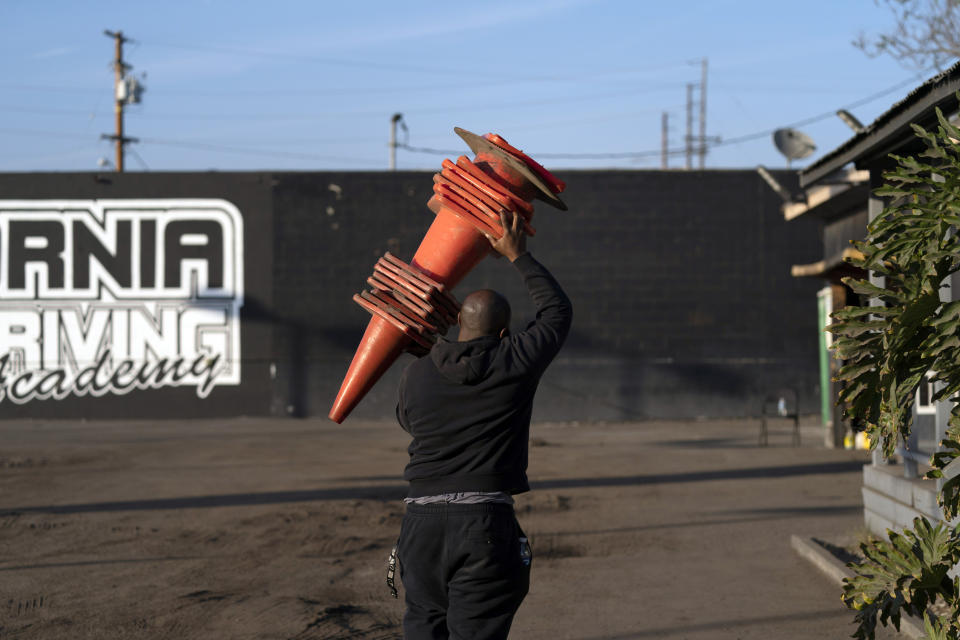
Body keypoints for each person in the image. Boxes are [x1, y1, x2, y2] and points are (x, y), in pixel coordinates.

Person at [393, 210, 573, 640]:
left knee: (423, 628)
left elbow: (407, 420)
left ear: (459, 322)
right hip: (483, 525)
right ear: (506, 332)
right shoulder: (514, 360)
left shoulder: (418, 371)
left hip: (419, 526)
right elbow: (557, 313)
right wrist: (518, 255)